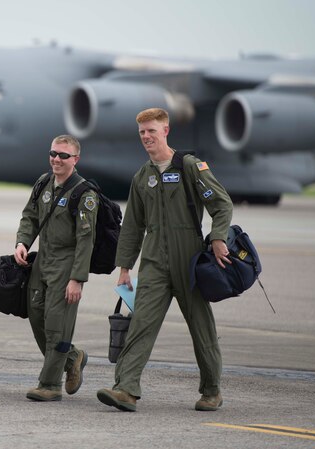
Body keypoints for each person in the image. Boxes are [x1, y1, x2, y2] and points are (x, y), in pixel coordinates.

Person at [96, 108, 233, 412]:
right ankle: (126, 389)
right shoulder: (142, 177)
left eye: (152, 131)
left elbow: (221, 204)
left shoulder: (189, 166)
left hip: (189, 259)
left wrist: (218, 237)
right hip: (154, 260)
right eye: (142, 132)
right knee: (140, 323)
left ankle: (211, 390)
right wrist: (124, 269)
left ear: (166, 131)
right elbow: (132, 226)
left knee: (201, 327)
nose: (146, 137)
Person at [14, 134, 98, 402]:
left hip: (67, 263)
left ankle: (50, 384)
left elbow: (86, 239)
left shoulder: (85, 194)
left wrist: (77, 278)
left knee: (56, 326)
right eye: (53, 154)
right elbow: (30, 215)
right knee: (36, 316)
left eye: (63, 155)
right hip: (42, 261)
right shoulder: (43, 183)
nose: (56, 160)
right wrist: (22, 242)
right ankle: (73, 357)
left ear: (75, 159)